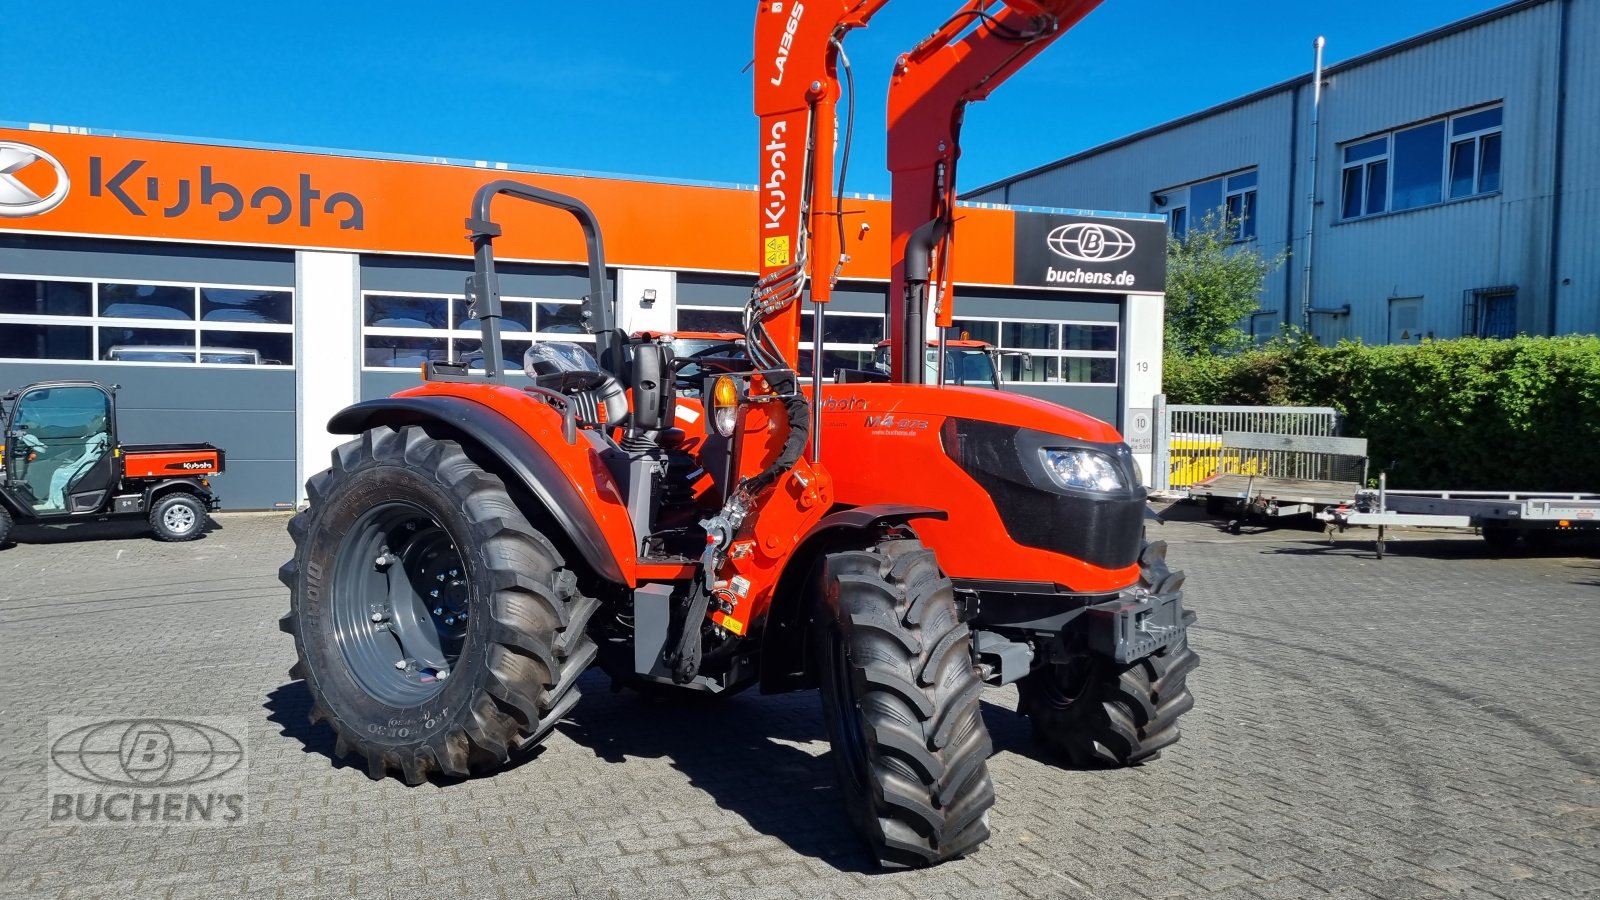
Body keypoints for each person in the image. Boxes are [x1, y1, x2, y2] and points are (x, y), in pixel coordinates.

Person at [42, 416, 109, 511]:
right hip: (84, 462)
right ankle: (54, 501)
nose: (91, 424)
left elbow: (95, 455)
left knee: (60, 474)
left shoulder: (102, 436)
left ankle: (59, 503)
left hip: (89, 465)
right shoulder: (93, 435)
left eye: (95, 422)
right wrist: (74, 462)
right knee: (59, 471)